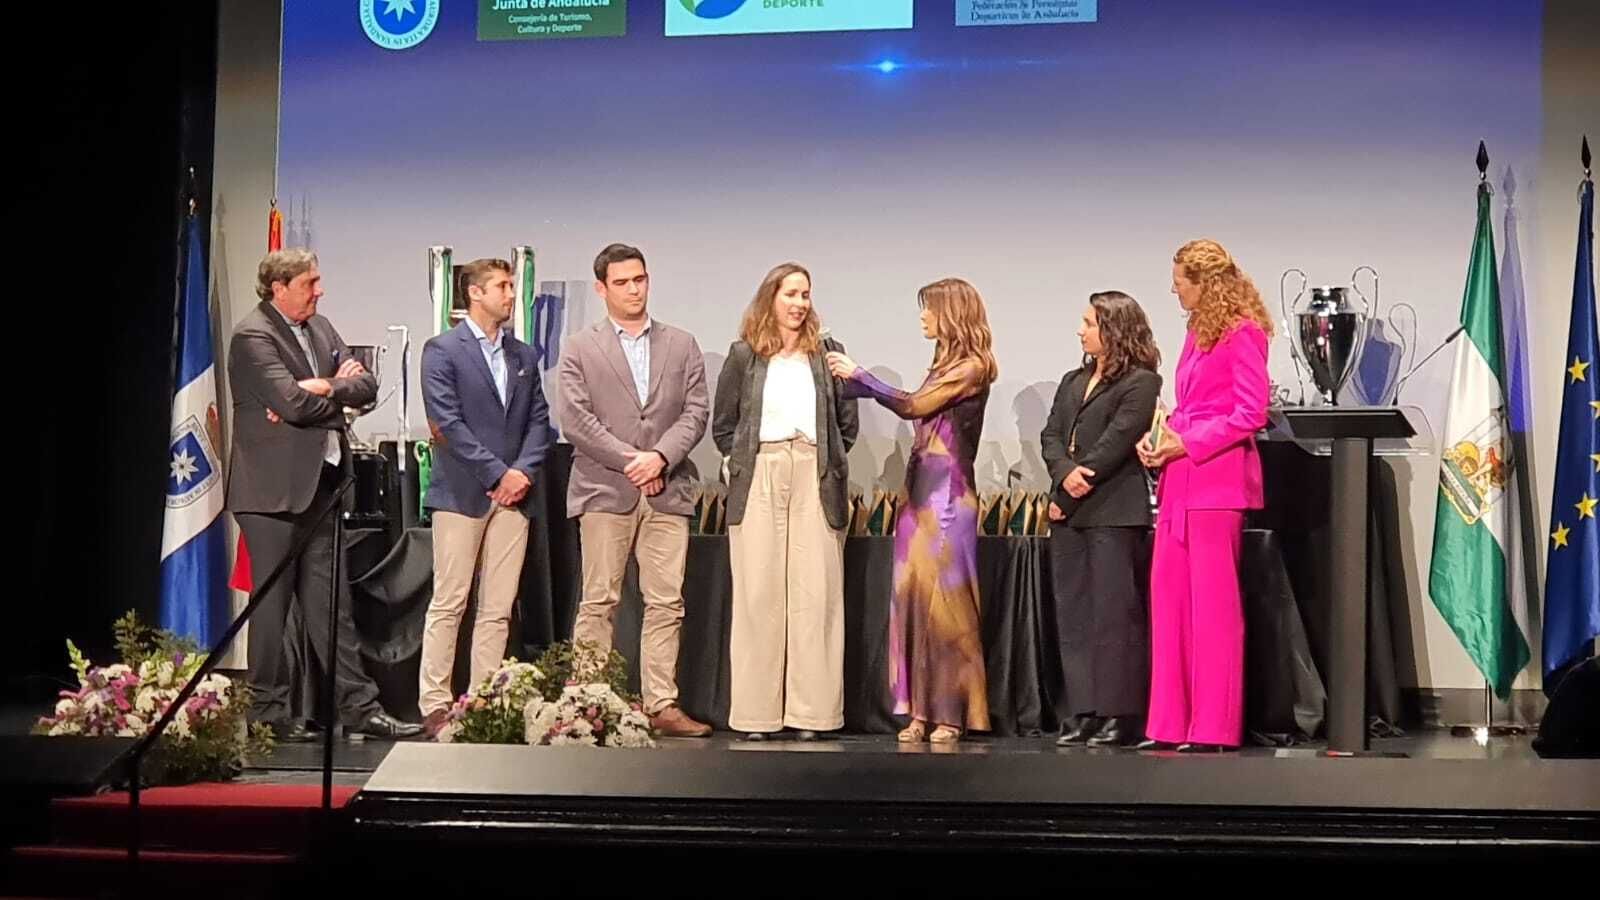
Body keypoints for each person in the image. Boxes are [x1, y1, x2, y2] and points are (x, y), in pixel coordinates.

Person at [226, 249, 422, 741]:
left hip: (323, 488)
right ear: (279, 288)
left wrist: (321, 388)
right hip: (272, 495)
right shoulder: (253, 336)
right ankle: (267, 713)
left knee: (332, 607)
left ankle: (359, 708)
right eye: (309, 283)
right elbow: (292, 404)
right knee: (271, 608)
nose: (320, 291)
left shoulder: (320, 327)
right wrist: (332, 395)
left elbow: (367, 386)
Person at [826, 278, 997, 744]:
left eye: (929, 309)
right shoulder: (942, 365)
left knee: (947, 608)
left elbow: (912, 405)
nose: (923, 317)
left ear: (951, 314)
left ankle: (951, 714)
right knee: (914, 603)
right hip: (918, 494)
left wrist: (861, 376)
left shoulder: (972, 367)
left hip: (947, 499)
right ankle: (920, 709)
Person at [558, 243, 712, 738]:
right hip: (606, 490)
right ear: (602, 288)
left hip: (667, 491)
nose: (633, 290)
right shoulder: (580, 347)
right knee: (599, 600)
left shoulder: (681, 344)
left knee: (666, 602)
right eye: (622, 282)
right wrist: (634, 462)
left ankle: (661, 703)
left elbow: (696, 412)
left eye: (639, 279)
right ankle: (587, 703)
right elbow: (576, 420)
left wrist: (660, 457)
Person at [1136, 239, 1272, 753]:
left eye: (1179, 282)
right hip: (1180, 480)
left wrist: (1187, 441)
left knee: (1213, 609)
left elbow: (1251, 412)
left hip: (1217, 482)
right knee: (1170, 601)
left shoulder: (1244, 332)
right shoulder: (1197, 330)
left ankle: (1214, 726)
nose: (1174, 290)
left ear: (1204, 282)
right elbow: (1194, 404)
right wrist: (1160, 436)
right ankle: (1170, 724)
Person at [713, 263, 859, 741]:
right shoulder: (744, 354)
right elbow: (724, 425)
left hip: (815, 470)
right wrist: (740, 464)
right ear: (770, 298)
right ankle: (756, 716)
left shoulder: (827, 353)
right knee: (759, 593)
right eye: (790, 293)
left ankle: (812, 715)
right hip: (761, 469)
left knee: (816, 593)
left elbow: (846, 424)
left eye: (805, 294)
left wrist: (827, 461)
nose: (799, 303)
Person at [416, 258, 552, 738]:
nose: (511, 295)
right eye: (503, 287)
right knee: (451, 600)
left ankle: (485, 700)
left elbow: (540, 421)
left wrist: (522, 473)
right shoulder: (442, 350)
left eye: (512, 286)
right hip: (462, 492)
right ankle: (435, 702)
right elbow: (447, 422)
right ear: (475, 293)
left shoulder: (523, 355)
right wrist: (498, 473)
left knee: (498, 607)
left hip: (515, 497)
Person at [1040, 291, 1161, 748]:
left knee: (1113, 615)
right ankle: (1084, 709)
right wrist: (1062, 479)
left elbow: (1116, 442)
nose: (1081, 330)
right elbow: (1052, 435)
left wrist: (1069, 494)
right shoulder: (1073, 380)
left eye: (1089, 323)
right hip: (1069, 513)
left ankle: (1121, 712)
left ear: (1114, 329)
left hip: (1113, 511)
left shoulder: (1141, 382)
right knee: (1075, 614)